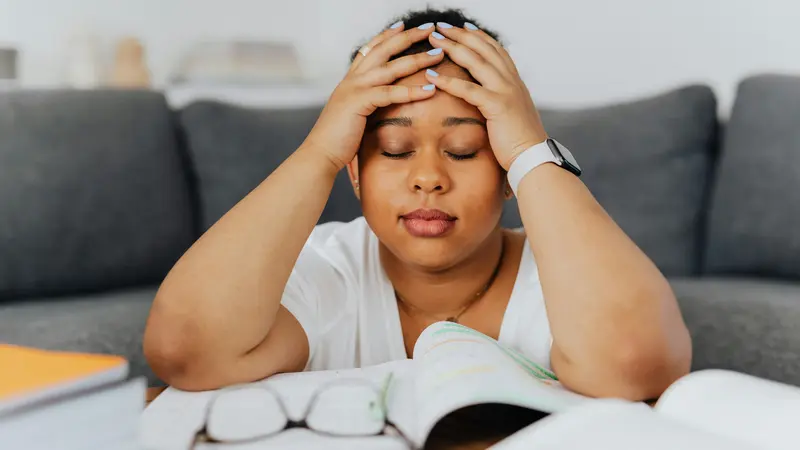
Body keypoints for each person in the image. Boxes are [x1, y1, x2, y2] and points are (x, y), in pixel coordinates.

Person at [143, 8, 692, 400]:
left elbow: (634, 365)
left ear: (508, 174)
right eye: (394, 149)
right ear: (355, 170)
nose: (428, 178)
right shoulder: (325, 269)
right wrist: (319, 153)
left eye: (463, 150)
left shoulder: (563, 276)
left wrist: (531, 150)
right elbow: (185, 350)